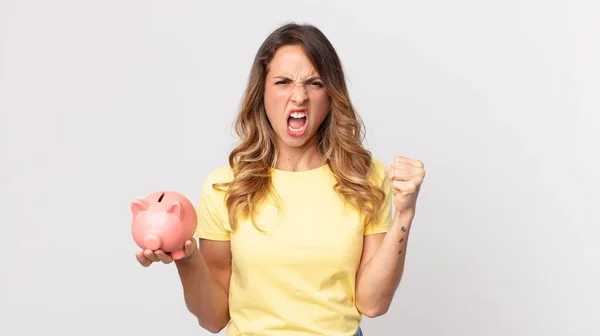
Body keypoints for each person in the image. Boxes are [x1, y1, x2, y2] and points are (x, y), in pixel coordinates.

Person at [135, 22, 426, 336]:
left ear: (331, 96)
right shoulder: (225, 187)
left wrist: (405, 214)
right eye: (283, 82)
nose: (299, 96)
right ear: (261, 93)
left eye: (314, 82)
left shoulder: (365, 179)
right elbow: (214, 318)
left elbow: (373, 304)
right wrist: (185, 256)